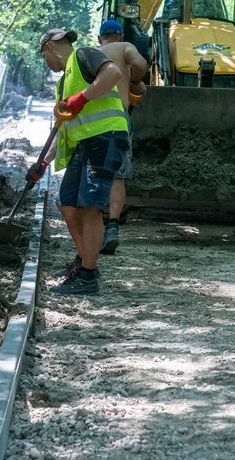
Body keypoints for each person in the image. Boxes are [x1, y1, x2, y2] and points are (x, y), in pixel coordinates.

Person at [31, 27, 129, 295]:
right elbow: (64, 129)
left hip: (105, 137)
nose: (46, 63)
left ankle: (87, 275)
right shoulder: (64, 82)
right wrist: (42, 164)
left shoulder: (85, 55)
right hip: (87, 143)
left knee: (89, 205)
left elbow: (113, 74)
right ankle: (87, 261)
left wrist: (82, 98)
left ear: (49, 47)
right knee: (67, 202)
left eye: (44, 57)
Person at [96, 19, 148, 255]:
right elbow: (141, 63)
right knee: (118, 176)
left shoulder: (91, 54)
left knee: (95, 172)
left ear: (100, 38)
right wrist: (135, 81)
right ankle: (113, 226)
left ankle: (94, 225)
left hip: (93, 122)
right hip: (118, 119)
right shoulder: (125, 47)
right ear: (120, 35)